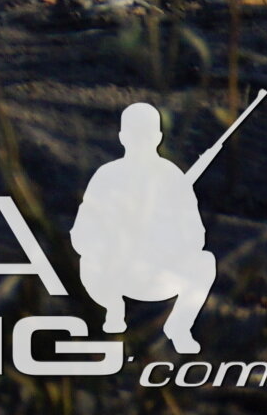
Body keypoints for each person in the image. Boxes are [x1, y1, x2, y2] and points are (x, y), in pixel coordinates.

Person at [74, 98, 226, 353]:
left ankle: (179, 327)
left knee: (205, 262)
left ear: (157, 137)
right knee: (87, 262)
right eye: (136, 135)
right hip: (112, 274)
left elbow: (196, 238)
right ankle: (112, 314)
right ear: (123, 137)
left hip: (160, 274)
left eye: (144, 135)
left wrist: (165, 231)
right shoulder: (106, 176)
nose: (140, 142)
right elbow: (81, 236)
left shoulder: (173, 178)